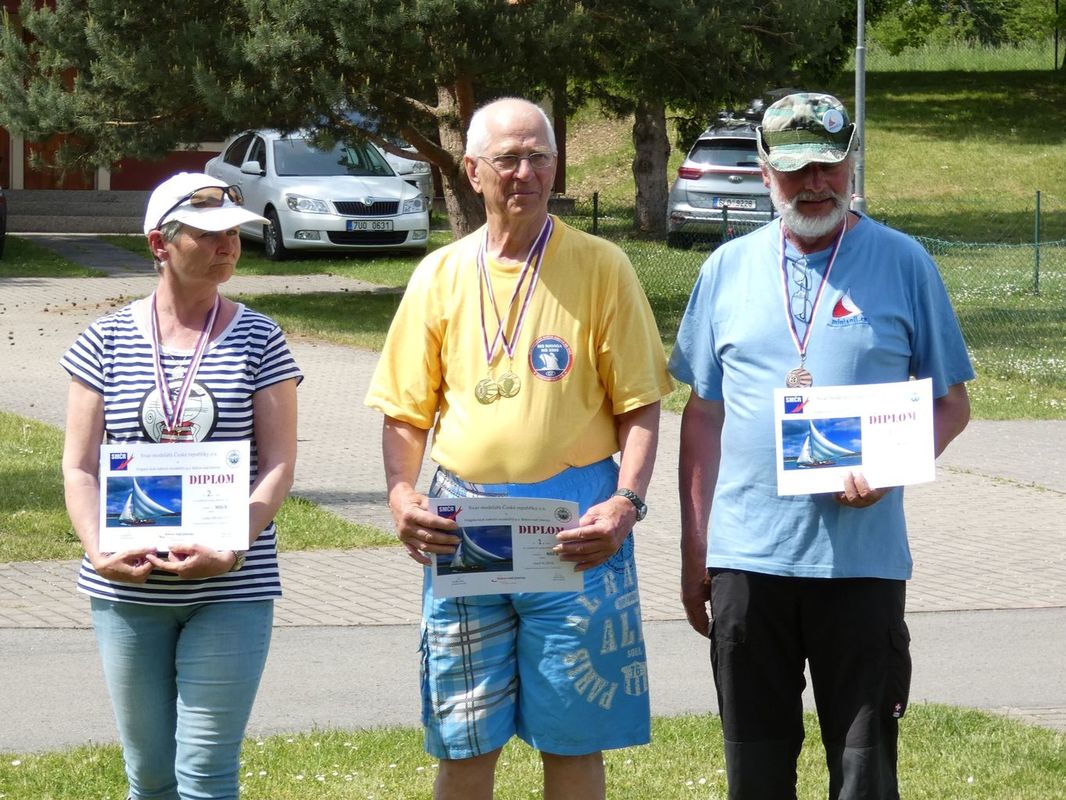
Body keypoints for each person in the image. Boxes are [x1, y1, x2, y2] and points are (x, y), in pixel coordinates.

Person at [364, 97, 673, 800]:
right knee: (465, 739)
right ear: (472, 171)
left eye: (539, 156)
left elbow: (640, 403)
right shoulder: (439, 274)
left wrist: (626, 502)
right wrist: (401, 494)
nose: (524, 173)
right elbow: (405, 413)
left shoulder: (602, 266)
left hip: (576, 525)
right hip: (465, 525)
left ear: (556, 167)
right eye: (507, 158)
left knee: (574, 739)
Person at [670, 92, 974, 800]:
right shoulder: (726, 269)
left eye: (829, 166)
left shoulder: (904, 262)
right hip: (749, 562)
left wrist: (891, 465)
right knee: (755, 778)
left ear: (851, 162)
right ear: (764, 170)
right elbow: (703, 414)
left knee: (865, 777)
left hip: (861, 564)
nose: (814, 184)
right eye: (795, 169)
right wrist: (695, 545)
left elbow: (951, 404)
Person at [61, 172, 302, 800]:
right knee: (148, 776)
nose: (228, 246)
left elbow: (278, 464)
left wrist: (233, 548)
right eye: (208, 234)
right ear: (159, 244)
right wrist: (98, 551)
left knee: (207, 773)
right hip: (128, 586)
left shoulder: (261, 338)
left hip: (232, 586)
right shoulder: (104, 340)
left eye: (235, 235)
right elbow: (79, 467)